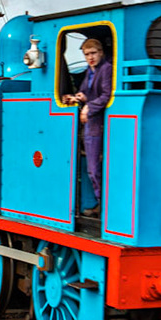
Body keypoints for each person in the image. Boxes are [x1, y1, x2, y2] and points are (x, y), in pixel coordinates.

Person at [62, 36, 111, 217]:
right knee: (92, 168)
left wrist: (89, 107)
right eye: (87, 54)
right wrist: (78, 97)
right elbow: (85, 92)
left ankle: (102, 205)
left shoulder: (106, 70)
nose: (90, 57)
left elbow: (106, 95)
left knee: (93, 168)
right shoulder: (90, 71)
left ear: (101, 53)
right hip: (90, 124)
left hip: (97, 124)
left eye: (93, 53)